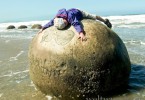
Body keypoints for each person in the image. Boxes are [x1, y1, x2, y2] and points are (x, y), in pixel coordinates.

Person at [38, 8, 112, 41]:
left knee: (93, 17)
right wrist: (43, 27)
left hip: (79, 12)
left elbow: (76, 23)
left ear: (64, 19)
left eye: (66, 24)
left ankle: (105, 21)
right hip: (71, 10)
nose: (67, 24)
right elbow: (51, 22)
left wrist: (81, 33)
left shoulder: (70, 16)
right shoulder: (56, 18)